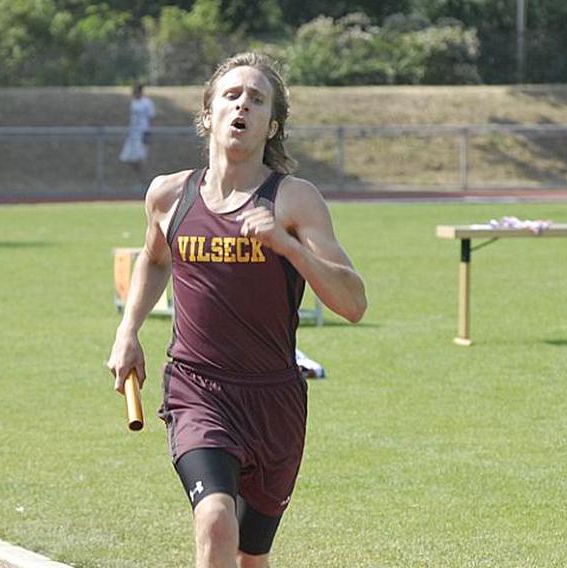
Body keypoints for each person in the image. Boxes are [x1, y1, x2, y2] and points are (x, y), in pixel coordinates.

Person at [107, 52, 367, 568]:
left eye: (257, 98)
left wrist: (290, 247)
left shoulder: (294, 200)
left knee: (251, 557)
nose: (242, 104)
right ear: (209, 114)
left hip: (274, 401)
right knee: (215, 518)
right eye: (231, 95)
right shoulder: (168, 195)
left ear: (272, 125)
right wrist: (128, 331)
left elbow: (354, 303)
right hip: (197, 389)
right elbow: (154, 260)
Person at [119, 83, 156, 191]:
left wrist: (149, 132)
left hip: (142, 134)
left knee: (141, 158)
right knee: (128, 159)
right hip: (133, 135)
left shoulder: (147, 103)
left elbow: (152, 118)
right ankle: (141, 179)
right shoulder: (133, 102)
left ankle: (146, 181)